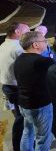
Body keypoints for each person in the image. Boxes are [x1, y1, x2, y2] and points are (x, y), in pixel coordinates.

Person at [14, 31, 55, 150]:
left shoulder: (19, 59)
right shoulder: (43, 61)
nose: (46, 43)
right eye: (44, 41)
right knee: (43, 138)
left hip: (24, 104)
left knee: (27, 132)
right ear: (35, 45)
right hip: (40, 106)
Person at [0, 22, 30, 151]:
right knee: (22, 118)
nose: (29, 33)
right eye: (27, 30)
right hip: (16, 87)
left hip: (7, 86)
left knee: (19, 116)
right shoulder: (17, 48)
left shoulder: (4, 45)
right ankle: (18, 146)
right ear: (17, 32)